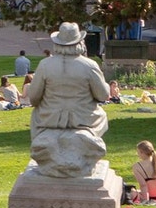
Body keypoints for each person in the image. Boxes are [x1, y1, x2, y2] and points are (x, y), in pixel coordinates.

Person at [28, 23, 112, 178]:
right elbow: (103, 95)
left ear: (57, 43)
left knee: (35, 113)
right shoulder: (89, 65)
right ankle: (83, 142)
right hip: (84, 118)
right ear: (80, 42)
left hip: (50, 118)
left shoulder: (45, 65)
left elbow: (33, 98)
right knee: (102, 115)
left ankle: (53, 145)